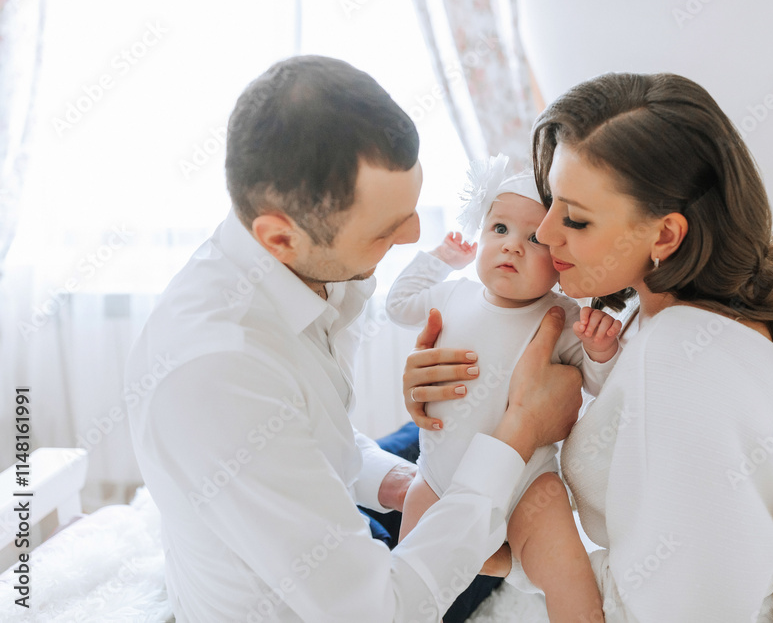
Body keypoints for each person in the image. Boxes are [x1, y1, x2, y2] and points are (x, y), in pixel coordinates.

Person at [125, 55, 584, 622]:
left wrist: (398, 482)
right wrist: (519, 431)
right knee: (488, 481)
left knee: (423, 445)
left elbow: (317, 439)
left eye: (411, 208)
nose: (414, 235)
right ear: (280, 236)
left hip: (324, 525)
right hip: (342, 602)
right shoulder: (218, 373)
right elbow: (380, 611)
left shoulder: (309, 267)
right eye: (386, 228)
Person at [404, 72, 773, 622]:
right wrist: (460, 399)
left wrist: (522, 429)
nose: (544, 233)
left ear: (664, 235)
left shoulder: (683, 361)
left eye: (575, 219)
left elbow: (677, 600)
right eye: (550, 201)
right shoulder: (688, 311)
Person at [385, 155, 621, 622]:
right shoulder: (453, 294)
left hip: (530, 484)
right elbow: (397, 303)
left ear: (560, 259)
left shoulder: (564, 316)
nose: (511, 245)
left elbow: (595, 385)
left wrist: (600, 350)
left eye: (533, 239)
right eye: (499, 229)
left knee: (568, 575)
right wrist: (440, 259)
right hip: (439, 478)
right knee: (413, 582)